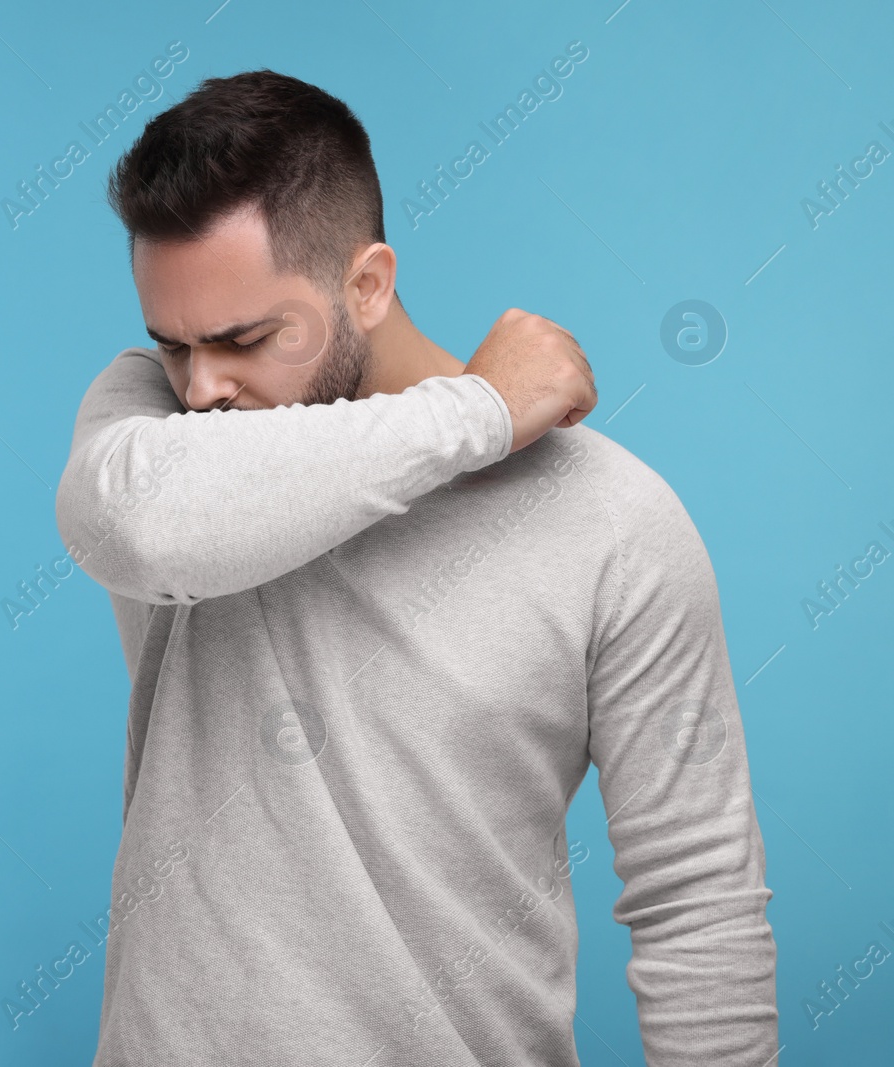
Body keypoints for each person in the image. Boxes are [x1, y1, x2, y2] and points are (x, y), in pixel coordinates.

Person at [55, 69, 777, 1066]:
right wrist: (476, 414)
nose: (203, 385)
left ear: (367, 284)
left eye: (244, 339)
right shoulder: (150, 430)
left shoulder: (609, 520)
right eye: (173, 344)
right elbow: (136, 525)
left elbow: (699, 896)